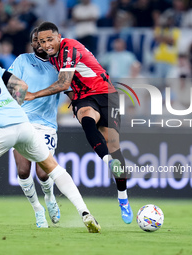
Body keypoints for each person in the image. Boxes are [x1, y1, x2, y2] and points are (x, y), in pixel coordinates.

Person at [0, 41, 100, 234]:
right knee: (53, 168)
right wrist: (11, 106)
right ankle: (85, 212)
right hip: (23, 123)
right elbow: (21, 86)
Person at [26, 22, 133, 224]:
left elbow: (64, 82)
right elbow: (68, 86)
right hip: (84, 98)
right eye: (42, 41)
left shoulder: (69, 47)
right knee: (86, 117)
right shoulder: (52, 57)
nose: (46, 44)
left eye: (49, 39)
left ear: (58, 37)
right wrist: (73, 100)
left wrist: (34, 95)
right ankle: (108, 161)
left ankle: (123, 198)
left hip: (107, 94)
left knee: (114, 144)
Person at [8, 28, 61, 228]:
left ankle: (49, 198)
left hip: (46, 126)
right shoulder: (22, 60)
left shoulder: (59, 64)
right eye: (35, 41)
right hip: (21, 122)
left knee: (43, 174)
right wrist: (17, 103)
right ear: (32, 43)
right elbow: (11, 84)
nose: (39, 44)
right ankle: (38, 210)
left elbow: (68, 89)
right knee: (23, 171)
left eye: (43, 40)